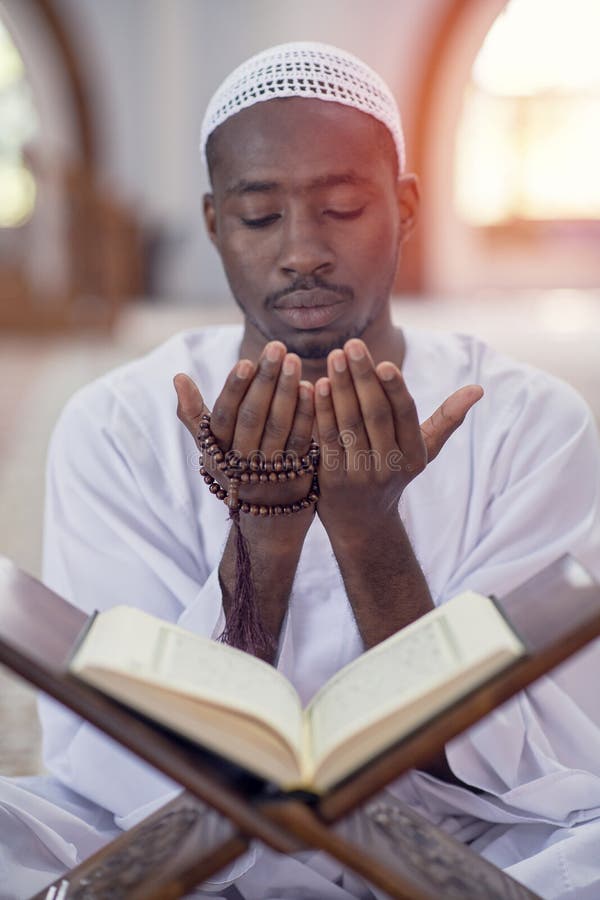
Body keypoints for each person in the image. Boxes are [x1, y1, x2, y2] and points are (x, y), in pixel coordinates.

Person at [1, 41, 600, 900]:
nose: (302, 251)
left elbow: (533, 757)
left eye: (343, 208)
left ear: (405, 207)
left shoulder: (526, 418)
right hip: (190, 836)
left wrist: (369, 533)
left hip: (464, 830)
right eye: (259, 217)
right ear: (214, 223)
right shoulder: (119, 423)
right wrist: (262, 545)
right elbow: (127, 766)